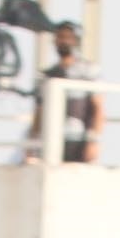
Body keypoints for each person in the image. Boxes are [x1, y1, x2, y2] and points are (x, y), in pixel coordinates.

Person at [28, 20, 104, 163]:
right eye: (59, 37)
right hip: (51, 138)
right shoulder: (47, 74)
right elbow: (39, 111)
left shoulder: (89, 71)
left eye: (67, 37)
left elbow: (98, 108)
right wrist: (31, 143)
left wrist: (94, 141)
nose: (63, 41)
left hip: (78, 138)